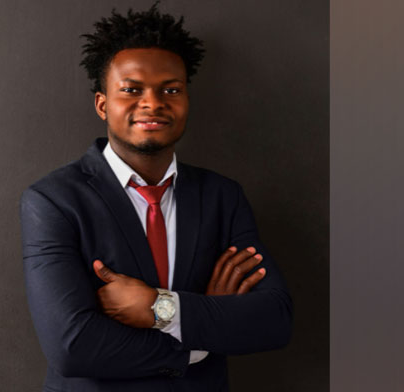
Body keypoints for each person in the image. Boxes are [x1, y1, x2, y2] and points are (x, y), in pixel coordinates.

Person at [19, 4, 293, 391]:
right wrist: (199, 341)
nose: (152, 102)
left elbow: (274, 320)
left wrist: (161, 309)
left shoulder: (222, 197)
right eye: (131, 90)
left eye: (171, 89)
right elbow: (73, 347)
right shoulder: (53, 201)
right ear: (102, 104)